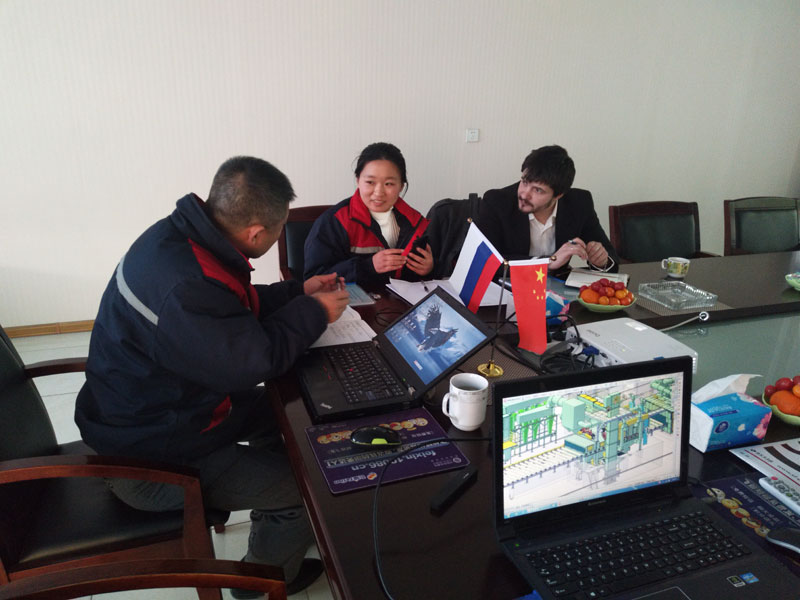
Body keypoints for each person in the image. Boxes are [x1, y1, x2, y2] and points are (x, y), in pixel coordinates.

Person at [75, 156, 349, 598]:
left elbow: (226, 309)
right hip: (151, 459)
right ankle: (261, 582)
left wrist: (297, 291)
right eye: (278, 231)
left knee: (287, 413)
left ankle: (274, 519)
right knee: (307, 488)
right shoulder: (186, 287)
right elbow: (254, 362)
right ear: (255, 233)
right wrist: (314, 312)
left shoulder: (179, 239)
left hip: (160, 412)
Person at [303, 142, 433, 288]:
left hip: (399, 301)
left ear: (401, 186)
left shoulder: (415, 222)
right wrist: (368, 266)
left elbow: (424, 281)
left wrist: (429, 269)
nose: (379, 192)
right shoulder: (334, 222)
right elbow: (314, 281)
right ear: (358, 180)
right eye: (370, 182)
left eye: (389, 184)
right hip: (349, 301)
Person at [477, 145, 619, 276]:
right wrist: (547, 263)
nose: (525, 194)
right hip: (508, 287)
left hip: (557, 289)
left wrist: (601, 261)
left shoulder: (579, 203)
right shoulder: (497, 202)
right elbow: (484, 262)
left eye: (538, 190)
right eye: (525, 182)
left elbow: (611, 259)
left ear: (558, 195)